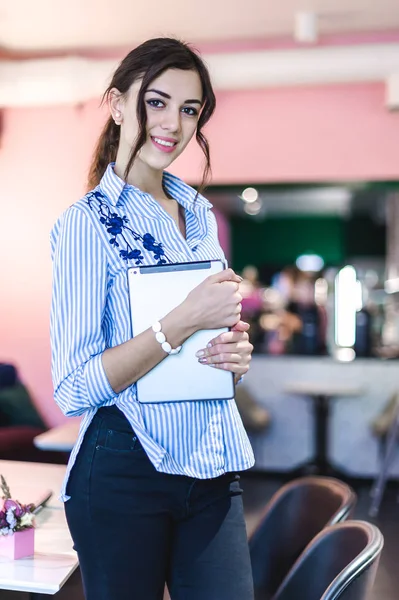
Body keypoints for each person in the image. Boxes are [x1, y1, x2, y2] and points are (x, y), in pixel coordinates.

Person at [50, 38, 255, 600]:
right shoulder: (86, 225)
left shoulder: (199, 215)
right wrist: (181, 321)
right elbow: (72, 386)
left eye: (190, 110)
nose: (174, 123)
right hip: (123, 468)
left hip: (212, 463)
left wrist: (234, 359)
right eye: (157, 102)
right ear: (117, 104)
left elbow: (208, 344)